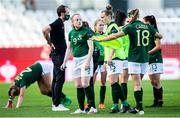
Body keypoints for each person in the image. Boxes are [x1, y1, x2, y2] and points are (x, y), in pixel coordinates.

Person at [94, 9, 163, 115]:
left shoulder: (130, 27)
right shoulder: (148, 27)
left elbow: (115, 36)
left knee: (136, 84)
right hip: (144, 59)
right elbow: (160, 36)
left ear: (132, 16)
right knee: (135, 82)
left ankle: (135, 107)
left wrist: (102, 39)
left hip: (133, 58)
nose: (127, 19)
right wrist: (150, 36)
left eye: (129, 17)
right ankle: (136, 106)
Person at [61, 14, 97, 114]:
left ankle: (92, 107)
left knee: (85, 84)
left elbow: (91, 48)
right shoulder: (71, 33)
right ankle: (81, 109)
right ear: (72, 22)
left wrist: (88, 61)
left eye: (80, 19)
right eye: (77, 20)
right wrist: (64, 62)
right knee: (78, 85)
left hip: (86, 59)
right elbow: (69, 48)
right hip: (76, 60)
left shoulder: (87, 31)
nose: (79, 21)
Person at [100, 5, 130, 113]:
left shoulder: (113, 27)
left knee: (113, 82)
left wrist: (109, 58)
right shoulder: (110, 27)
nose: (101, 19)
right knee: (113, 82)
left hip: (115, 57)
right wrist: (105, 60)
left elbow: (114, 43)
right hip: (114, 58)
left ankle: (125, 104)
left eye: (103, 17)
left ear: (109, 16)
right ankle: (116, 105)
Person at [6, 60, 71, 109]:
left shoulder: (22, 82)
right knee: (44, 91)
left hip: (42, 67)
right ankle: (59, 98)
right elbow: (12, 91)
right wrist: (10, 102)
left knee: (50, 87)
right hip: (37, 72)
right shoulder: (15, 83)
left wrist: (17, 107)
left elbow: (21, 95)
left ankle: (64, 98)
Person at [42, 5, 70, 111]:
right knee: (60, 79)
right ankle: (57, 105)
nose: (68, 14)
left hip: (58, 54)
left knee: (56, 80)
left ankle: (55, 103)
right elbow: (44, 30)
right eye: (67, 12)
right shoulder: (58, 22)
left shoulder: (61, 23)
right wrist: (49, 42)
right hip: (58, 55)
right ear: (62, 13)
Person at [143, 15, 164, 107]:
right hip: (149, 59)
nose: (143, 24)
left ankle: (159, 101)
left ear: (149, 22)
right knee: (152, 82)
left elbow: (158, 46)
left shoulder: (155, 31)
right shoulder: (146, 32)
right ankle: (156, 101)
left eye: (145, 22)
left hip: (155, 58)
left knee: (156, 81)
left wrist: (148, 52)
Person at [114, 10, 129, 100]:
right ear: (124, 19)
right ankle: (124, 104)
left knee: (115, 82)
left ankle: (115, 103)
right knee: (124, 82)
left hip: (117, 57)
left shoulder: (114, 29)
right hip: (126, 57)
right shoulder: (127, 29)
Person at [92, 19, 107, 109]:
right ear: (95, 27)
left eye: (102, 25)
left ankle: (101, 102)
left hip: (104, 62)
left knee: (103, 82)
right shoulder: (93, 36)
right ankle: (91, 102)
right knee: (91, 82)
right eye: (100, 25)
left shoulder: (106, 36)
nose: (101, 27)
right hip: (95, 62)